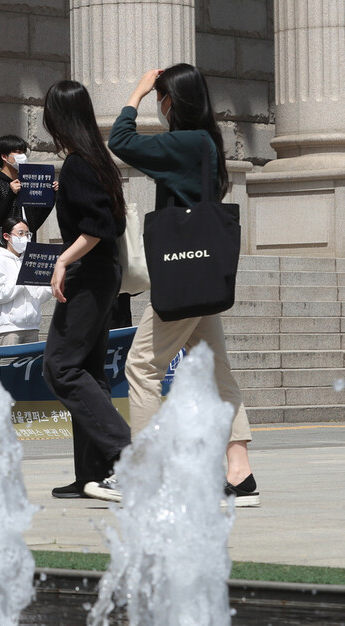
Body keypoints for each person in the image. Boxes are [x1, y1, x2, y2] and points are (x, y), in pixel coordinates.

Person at [109, 64, 259, 507]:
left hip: (182, 277)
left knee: (141, 366)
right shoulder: (206, 142)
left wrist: (134, 93)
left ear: (172, 101)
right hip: (202, 275)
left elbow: (121, 142)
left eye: (161, 97)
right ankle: (240, 473)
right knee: (216, 372)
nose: (158, 104)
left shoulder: (185, 142)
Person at [40, 80, 131, 502]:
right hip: (103, 274)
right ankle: (92, 474)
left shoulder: (79, 164)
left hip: (90, 275)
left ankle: (129, 456)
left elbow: (97, 228)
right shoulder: (98, 161)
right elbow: (112, 224)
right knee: (88, 371)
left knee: (61, 367)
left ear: (57, 118)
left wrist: (62, 260)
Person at [0, 216, 53, 346]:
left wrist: (49, 284)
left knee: (29, 366)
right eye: (20, 234)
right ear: (6, 236)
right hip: (8, 328)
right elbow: (0, 295)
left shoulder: (29, 261)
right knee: (8, 364)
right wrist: (22, 278)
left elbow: (37, 296)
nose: (25, 238)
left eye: (27, 234)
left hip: (31, 327)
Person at [0, 135, 30, 262]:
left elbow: (33, 220)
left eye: (23, 152)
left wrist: (51, 195)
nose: (22, 156)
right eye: (18, 152)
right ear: (4, 157)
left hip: (24, 253)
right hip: (1, 254)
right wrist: (11, 194)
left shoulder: (25, 183)